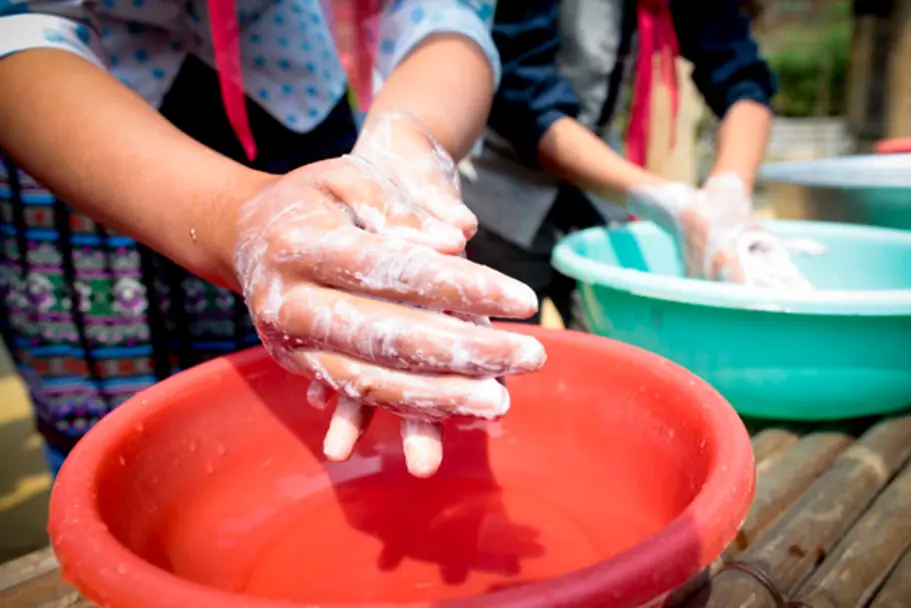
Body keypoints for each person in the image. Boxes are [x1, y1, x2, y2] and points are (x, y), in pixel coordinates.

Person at [0, 0, 546, 480]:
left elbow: (445, 12)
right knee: (122, 460)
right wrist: (239, 221)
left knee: (309, 442)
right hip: (84, 141)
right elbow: (18, 26)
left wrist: (409, 147)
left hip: (301, 113)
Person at [461, 0, 811, 329]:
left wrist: (729, 193)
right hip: (501, 190)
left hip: (596, 190)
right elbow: (525, 101)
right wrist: (675, 204)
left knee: (615, 353)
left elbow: (740, 75)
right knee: (504, 356)